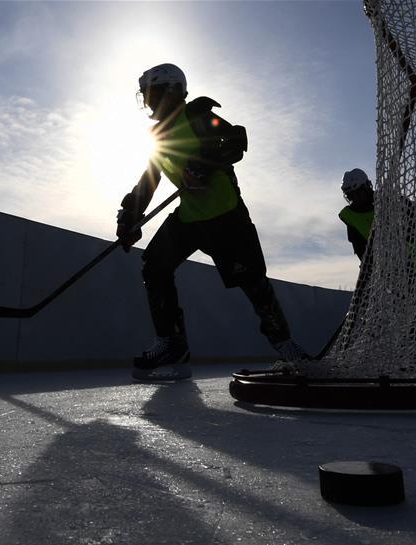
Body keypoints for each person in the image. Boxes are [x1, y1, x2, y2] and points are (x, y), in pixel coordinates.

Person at [117, 63, 306, 379]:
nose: (148, 103)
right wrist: (130, 218)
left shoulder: (200, 116)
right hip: (189, 219)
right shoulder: (158, 135)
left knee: (253, 282)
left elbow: (234, 140)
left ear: (170, 91)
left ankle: (286, 346)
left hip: (226, 218)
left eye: (151, 95)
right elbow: (149, 180)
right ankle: (172, 344)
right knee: (154, 266)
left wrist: (201, 165)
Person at [338, 169, 376, 262]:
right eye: (351, 195)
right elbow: (360, 248)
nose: (355, 198)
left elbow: (415, 211)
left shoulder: (386, 199)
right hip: (384, 265)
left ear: (366, 187)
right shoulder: (350, 216)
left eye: (358, 193)